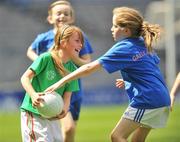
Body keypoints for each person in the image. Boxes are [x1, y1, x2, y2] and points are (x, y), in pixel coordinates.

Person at [45, 7, 171, 142]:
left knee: (117, 136)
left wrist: (62, 81)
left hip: (148, 99)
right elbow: (149, 68)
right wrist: (131, 81)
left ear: (126, 30)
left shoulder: (124, 47)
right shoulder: (142, 42)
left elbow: (89, 67)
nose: (111, 29)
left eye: (115, 26)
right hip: (162, 97)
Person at [26, 1, 93, 142]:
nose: (62, 16)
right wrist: (41, 63)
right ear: (50, 18)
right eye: (58, 13)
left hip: (72, 89)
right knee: (66, 128)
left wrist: (74, 57)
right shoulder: (43, 38)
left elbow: (87, 62)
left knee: (69, 131)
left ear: (72, 18)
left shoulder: (79, 37)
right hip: (50, 91)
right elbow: (30, 51)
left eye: (66, 14)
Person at [20, 25, 84, 142]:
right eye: (77, 41)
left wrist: (64, 109)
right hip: (34, 113)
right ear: (64, 42)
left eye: (81, 42)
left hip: (52, 116)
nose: (81, 45)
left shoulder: (73, 70)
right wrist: (33, 95)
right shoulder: (45, 58)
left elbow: (67, 95)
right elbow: (25, 78)